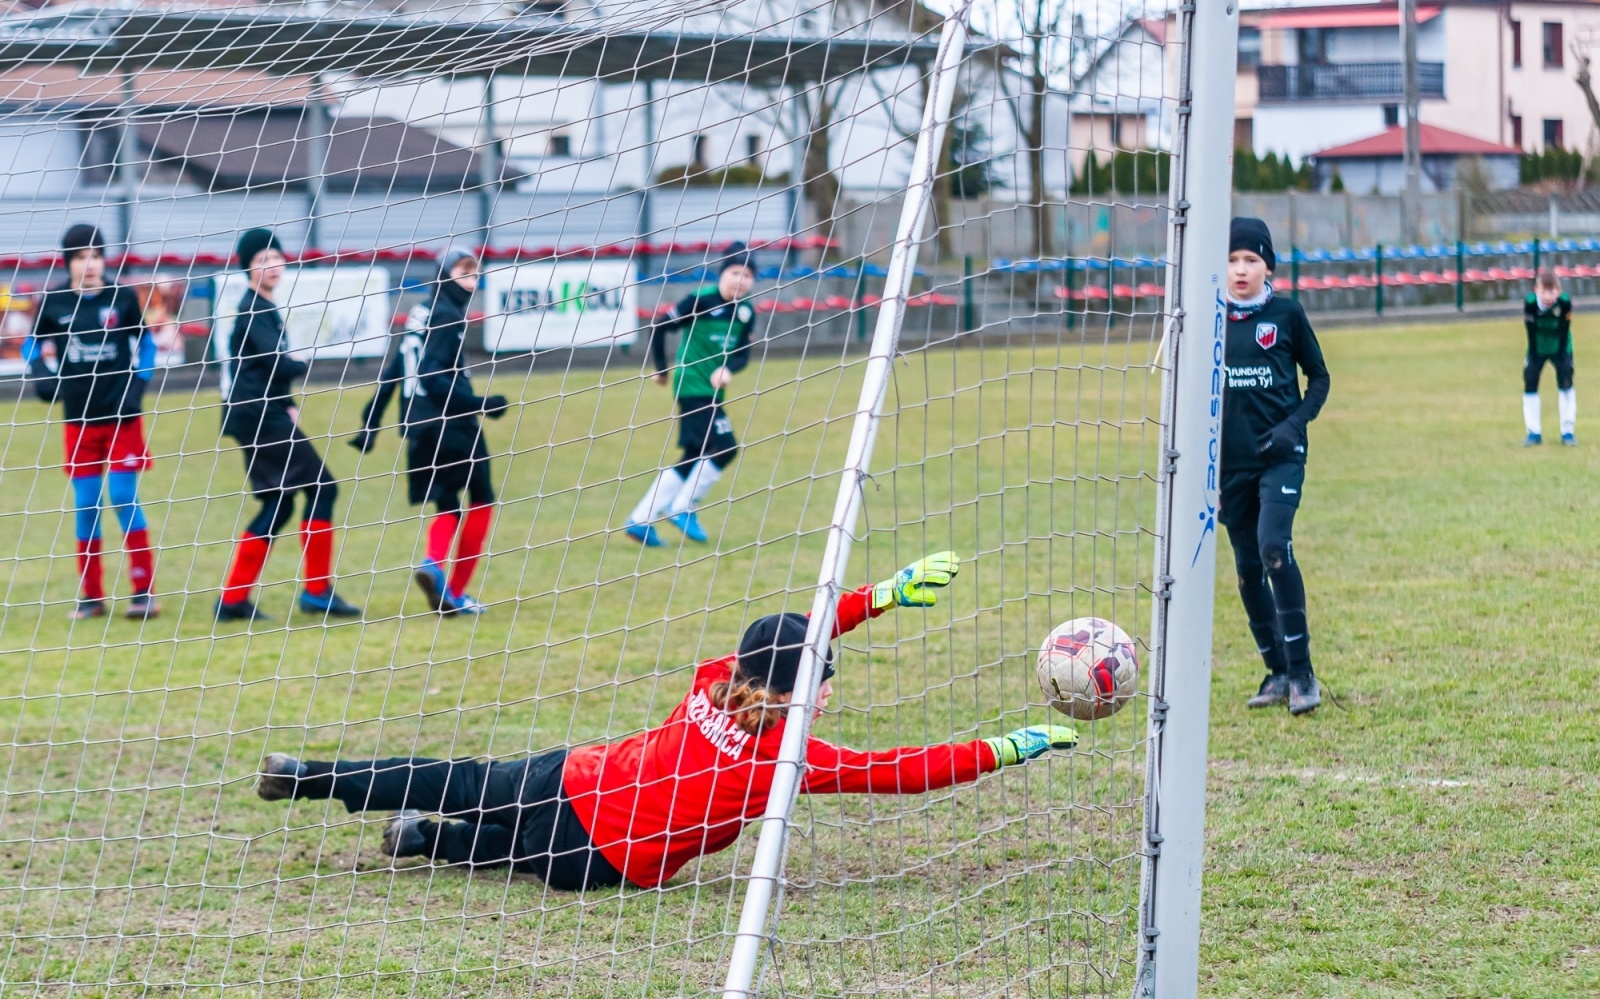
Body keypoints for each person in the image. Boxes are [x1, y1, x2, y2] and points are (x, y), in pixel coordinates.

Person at [254, 551, 1079, 890]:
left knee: (459, 779)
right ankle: (423, 840)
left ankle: (312, 777)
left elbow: (789, 638)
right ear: (803, 695)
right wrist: (999, 749)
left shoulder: (715, 677)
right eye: (825, 679)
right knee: (498, 850)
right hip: (599, 860)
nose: (830, 686)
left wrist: (882, 597)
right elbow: (901, 771)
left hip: (571, 773)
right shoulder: (788, 759)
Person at [352, 249, 508, 615]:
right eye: (463, 272)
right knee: (483, 498)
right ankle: (454, 592)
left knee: (447, 502)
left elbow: (395, 368)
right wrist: (481, 404)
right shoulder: (448, 316)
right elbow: (432, 377)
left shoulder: (421, 311)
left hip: (417, 426)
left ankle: (432, 565)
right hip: (450, 423)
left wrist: (371, 420)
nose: (471, 281)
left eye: (475, 274)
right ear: (443, 274)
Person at [215, 228, 361, 622]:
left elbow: (265, 371)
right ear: (247, 267)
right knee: (323, 488)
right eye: (261, 260)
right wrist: (306, 361)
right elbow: (278, 365)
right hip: (258, 415)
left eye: (275, 257)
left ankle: (232, 599)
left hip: (259, 412)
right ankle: (316, 592)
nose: (272, 266)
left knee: (278, 502)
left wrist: (288, 402)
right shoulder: (253, 310)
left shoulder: (264, 306)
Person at [1221, 217, 1331, 716]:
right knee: (1247, 571)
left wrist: (1293, 426)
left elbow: (1320, 378)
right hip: (1229, 466)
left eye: (1251, 260)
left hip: (1280, 457)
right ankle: (1277, 671)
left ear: (1268, 266)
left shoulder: (1286, 314)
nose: (1241, 270)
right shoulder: (1207, 320)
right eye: (1232, 260)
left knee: (1274, 549)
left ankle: (1304, 673)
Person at [25, 223, 159, 621]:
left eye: (96, 255)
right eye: (82, 257)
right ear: (69, 262)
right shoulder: (55, 301)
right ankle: (92, 597)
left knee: (122, 497)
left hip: (122, 420)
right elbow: (34, 342)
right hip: (79, 422)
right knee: (86, 504)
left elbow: (146, 341)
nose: (90, 264)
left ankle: (143, 592)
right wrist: (41, 372)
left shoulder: (121, 297)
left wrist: (140, 382)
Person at [623, 242, 758, 547]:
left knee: (695, 455)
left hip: (711, 390)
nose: (741, 280)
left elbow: (743, 353)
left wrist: (728, 370)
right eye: (735, 272)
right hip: (691, 385)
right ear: (722, 274)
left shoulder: (746, 311)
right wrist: (660, 368)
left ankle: (640, 519)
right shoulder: (700, 301)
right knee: (725, 447)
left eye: (748, 275)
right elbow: (658, 327)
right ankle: (683, 508)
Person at [1521, 269, 1576, 446]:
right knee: (1530, 382)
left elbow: (1564, 329)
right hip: (1537, 347)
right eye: (1544, 291)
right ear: (1536, 289)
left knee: (1566, 382)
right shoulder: (1530, 303)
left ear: (1558, 292)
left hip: (1560, 346)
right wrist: (1534, 352)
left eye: (1551, 292)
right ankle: (1533, 432)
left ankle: (1567, 432)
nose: (1547, 296)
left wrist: (1561, 353)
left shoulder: (1564, 303)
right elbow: (1529, 330)